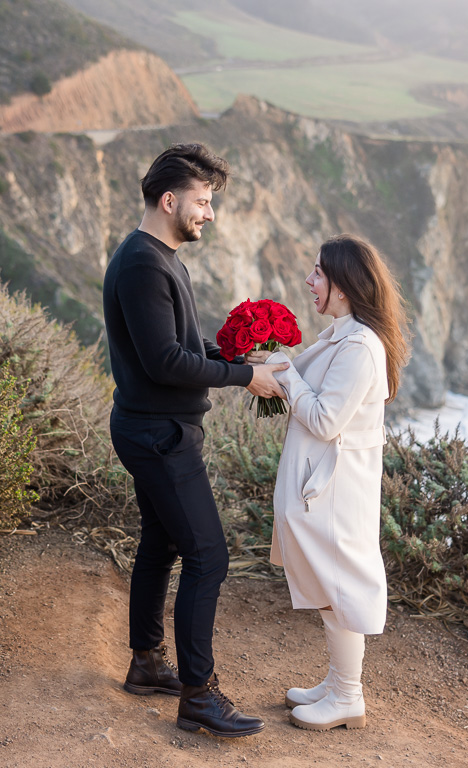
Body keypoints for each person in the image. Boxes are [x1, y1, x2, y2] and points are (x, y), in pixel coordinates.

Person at [103, 143, 288, 738]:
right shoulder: (142, 264)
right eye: (203, 202)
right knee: (208, 556)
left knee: (161, 544)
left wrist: (235, 355)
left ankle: (147, 662)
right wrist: (244, 377)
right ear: (169, 199)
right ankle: (198, 696)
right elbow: (162, 362)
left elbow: (181, 344)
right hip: (158, 433)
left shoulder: (161, 256)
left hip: (156, 426)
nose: (209, 213)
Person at [248, 234, 409, 731]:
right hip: (325, 485)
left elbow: (323, 419)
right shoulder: (343, 333)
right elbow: (311, 391)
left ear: (343, 286)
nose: (309, 280)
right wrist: (271, 364)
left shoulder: (360, 345)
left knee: (339, 585)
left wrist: (286, 376)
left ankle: (347, 696)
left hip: (335, 491)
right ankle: (339, 682)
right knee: (328, 582)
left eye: (318, 272)